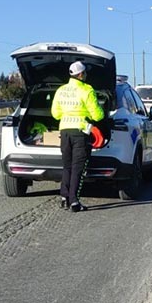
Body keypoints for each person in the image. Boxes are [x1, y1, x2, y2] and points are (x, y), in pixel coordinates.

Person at [50, 60, 105, 212]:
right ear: (81, 75)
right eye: (85, 73)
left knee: (67, 165)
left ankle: (64, 196)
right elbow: (97, 115)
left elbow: (55, 114)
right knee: (78, 168)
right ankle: (74, 201)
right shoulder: (87, 90)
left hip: (65, 131)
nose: (85, 75)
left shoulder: (61, 90)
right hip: (80, 132)